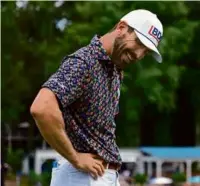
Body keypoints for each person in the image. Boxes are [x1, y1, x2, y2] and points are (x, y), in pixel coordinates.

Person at [30, 9, 163, 186]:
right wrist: (75, 157)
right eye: (139, 42)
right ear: (121, 28)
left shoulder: (115, 69)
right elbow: (42, 108)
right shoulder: (85, 62)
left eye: (145, 52)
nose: (139, 55)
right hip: (81, 176)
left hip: (97, 177)